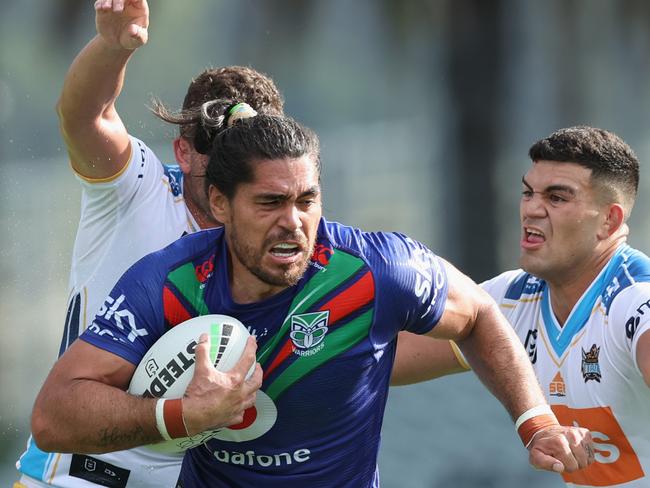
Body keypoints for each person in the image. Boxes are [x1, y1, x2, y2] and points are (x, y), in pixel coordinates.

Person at [30, 103, 594, 487]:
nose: (294, 223)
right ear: (220, 205)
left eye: (307, 200)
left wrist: (536, 422)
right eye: (270, 203)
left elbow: (477, 314)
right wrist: (182, 414)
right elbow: (54, 417)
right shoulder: (170, 284)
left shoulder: (374, 270)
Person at [15, 1, 282, 486]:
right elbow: (82, 116)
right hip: (76, 477)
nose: (234, 172)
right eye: (220, 152)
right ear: (182, 149)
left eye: (252, 158)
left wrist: (466, 317)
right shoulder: (139, 186)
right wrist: (111, 48)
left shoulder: (280, 242)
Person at [392, 126, 650, 487]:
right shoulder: (509, 298)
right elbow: (378, 358)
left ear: (609, 220)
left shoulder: (635, 299)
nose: (532, 209)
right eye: (528, 193)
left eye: (557, 197)